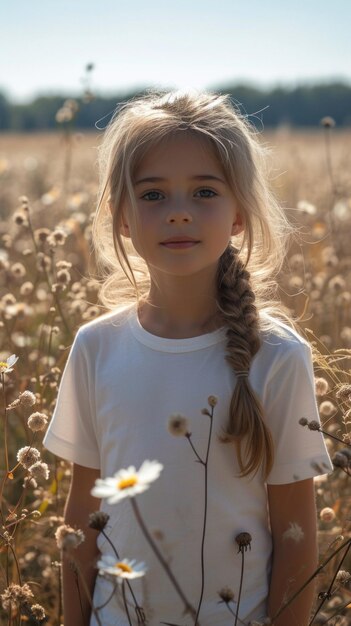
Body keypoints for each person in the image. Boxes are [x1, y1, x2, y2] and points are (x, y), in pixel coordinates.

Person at [43, 90, 333, 626]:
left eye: (204, 191)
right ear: (121, 217)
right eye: (152, 195)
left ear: (240, 214)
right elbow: (84, 519)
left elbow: (296, 536)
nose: (179, 213)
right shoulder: (95, 347)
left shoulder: (279, 357)